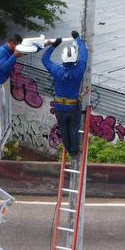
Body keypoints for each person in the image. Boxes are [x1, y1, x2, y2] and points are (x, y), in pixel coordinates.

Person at [40, 31, 89, 160]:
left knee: (63, 128)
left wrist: (54, 45)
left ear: (63, 58)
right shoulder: (80, 69)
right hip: (73, 106)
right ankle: (74, 152)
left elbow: (44, 59)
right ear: (75, 59)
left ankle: (69, 150)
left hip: (59, 106)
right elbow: (84, 52)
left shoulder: (56, 70)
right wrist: (77, 38)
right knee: (73, 129)